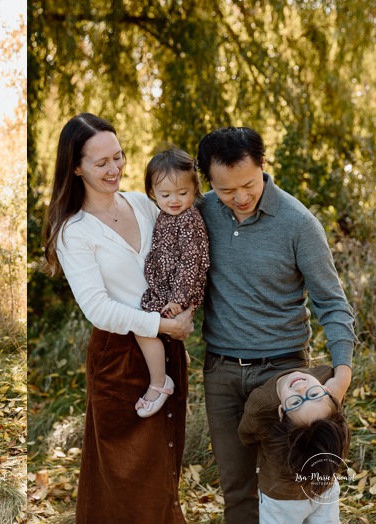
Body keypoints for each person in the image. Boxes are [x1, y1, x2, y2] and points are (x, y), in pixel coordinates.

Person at [195, 127, 356, 524]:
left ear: (263, 167)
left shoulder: (298, 223)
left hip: (284, 375)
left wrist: (342, 377)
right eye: (226, 190)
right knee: (235, 490)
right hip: (223, 373)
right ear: (209, 182)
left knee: (296, 484)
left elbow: (332, 304)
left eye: (248, 184)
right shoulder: (200, 212)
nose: (241, 197)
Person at [42, 113, 195, 523]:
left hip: (167, 347)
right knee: (124, 474)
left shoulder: (145, 203)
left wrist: (187, 307)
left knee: (164, 465)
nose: (115, 169)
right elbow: (98, 309)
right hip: (118, 355)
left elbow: (187, 252)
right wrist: (163, 325)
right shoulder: (74, 231)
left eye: (119, 157)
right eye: (101, 162)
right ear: (76, 167)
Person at [135, 148, 210, 418]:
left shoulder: (189, 220)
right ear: (153, 193)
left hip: (179, 292)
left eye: (183, 193)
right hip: (164, 289)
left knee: (144, 328)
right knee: (150, 327)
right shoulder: (164, 216)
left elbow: (192, 262)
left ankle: (159, 383)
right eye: (165, 195)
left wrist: (178, 300)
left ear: (195, 188)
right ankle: (178, 358)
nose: (174, 200)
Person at [238, 365, 350, 523]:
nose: (301, 387)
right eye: (314, 394)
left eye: (295, 402)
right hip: (300, 493)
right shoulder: (324, 375)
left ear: (281, 413)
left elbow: (247, 436)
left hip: (299, 494)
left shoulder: (259, 405)